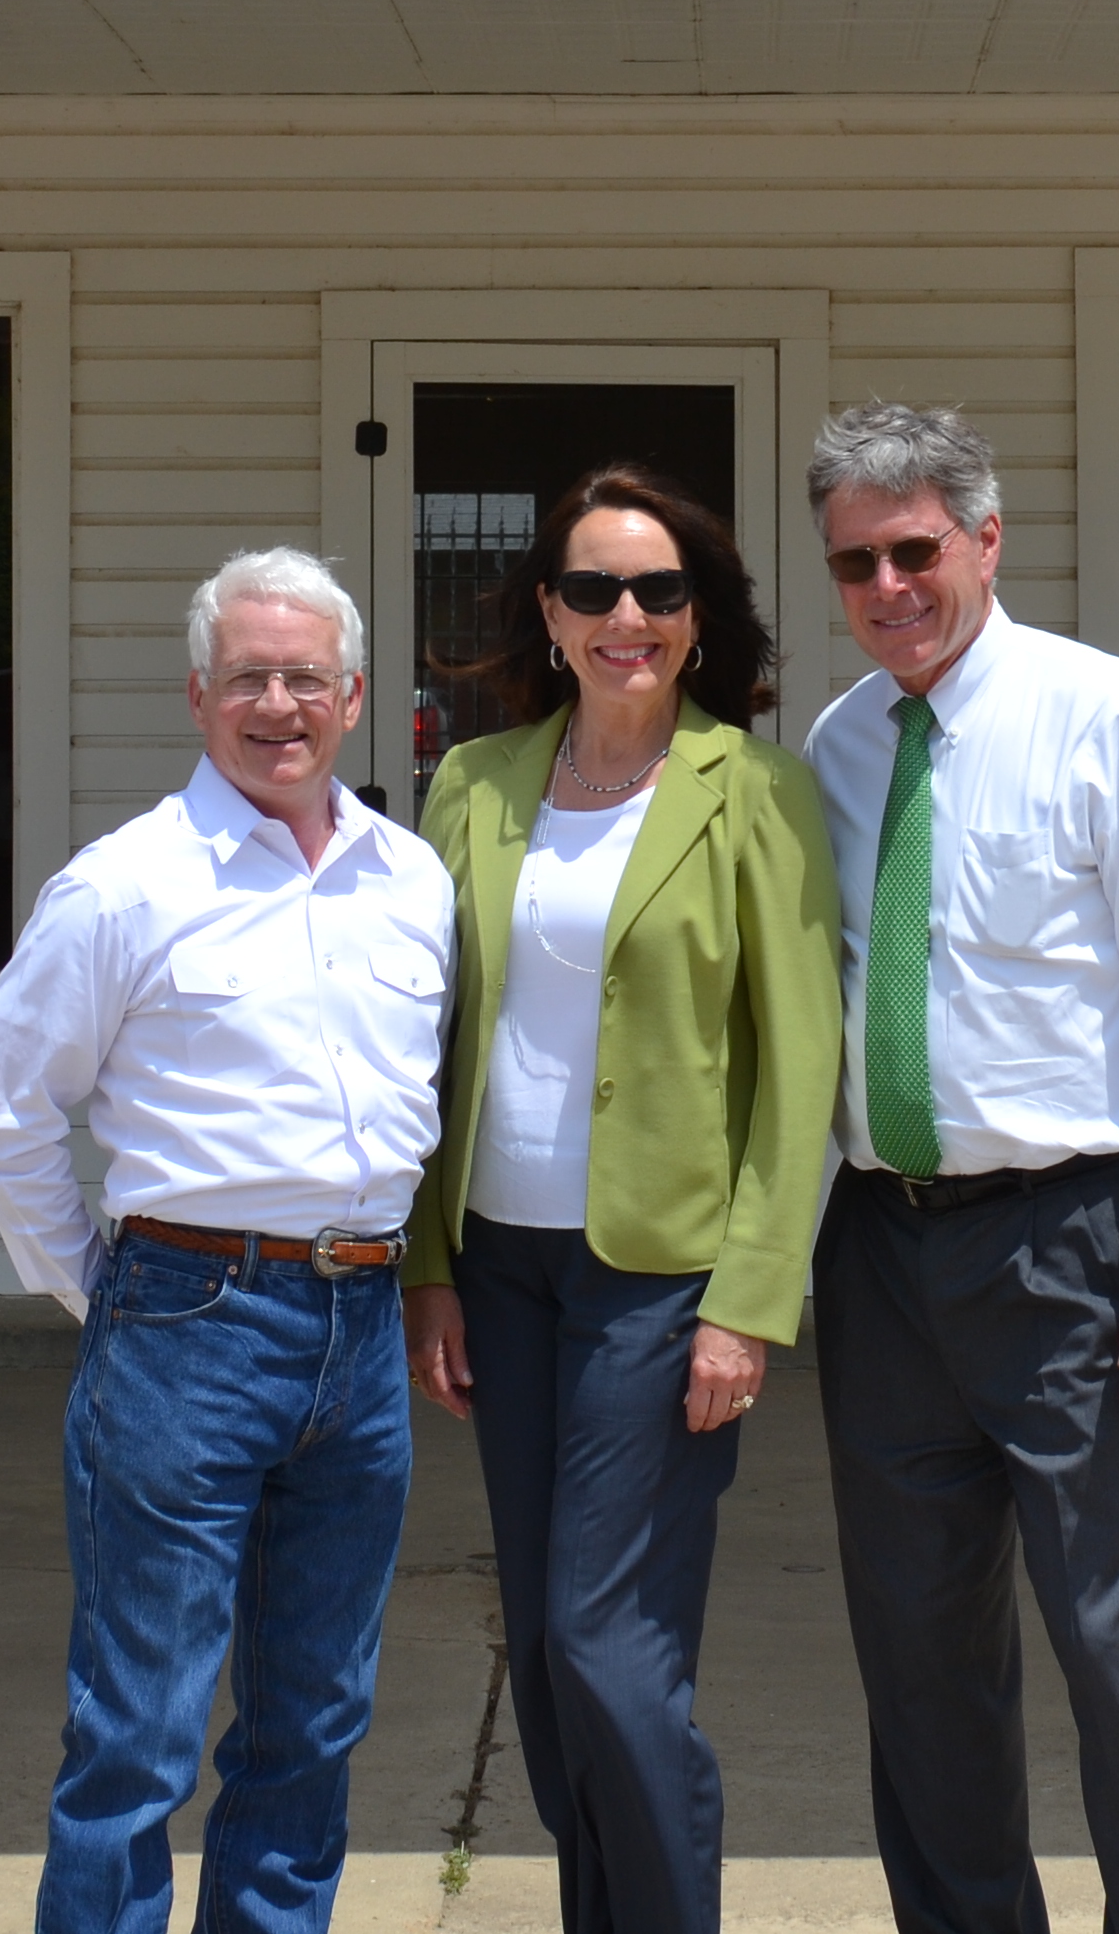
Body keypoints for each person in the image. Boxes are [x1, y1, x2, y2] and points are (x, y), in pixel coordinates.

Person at [794, 401, 1119, 1934]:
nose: (888, 588)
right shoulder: (839, 745)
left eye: (915, 550)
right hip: (882, 1251)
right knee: (920, 1667)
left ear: (986, 541)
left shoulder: (1099, 713)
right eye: (856, 562)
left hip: (1074, 1243)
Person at [0, 549, 459, 1934]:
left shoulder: (411, 883)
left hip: (357, 1343)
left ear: (356, 697)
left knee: (313, 1721)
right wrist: (109, 1292)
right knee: (138, 1733)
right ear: (198, 695)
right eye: (249, 677)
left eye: (305, 678)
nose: (278, 705)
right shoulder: (125, 888)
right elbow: (1, 1116)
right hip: (184, 1327)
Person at [399, 466, 844, 1934]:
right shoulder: (474, 784)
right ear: (548, 612)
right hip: (503, 1269)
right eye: (593, 589)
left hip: (661, 1283)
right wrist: (431, 1266)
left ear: (700, 620)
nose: (626, 617)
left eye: (658, 591)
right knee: (541, 1643)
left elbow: (799, 1069)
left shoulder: (758, 793)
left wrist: (750, 1302)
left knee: (608, 1639)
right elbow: (430, 1033)